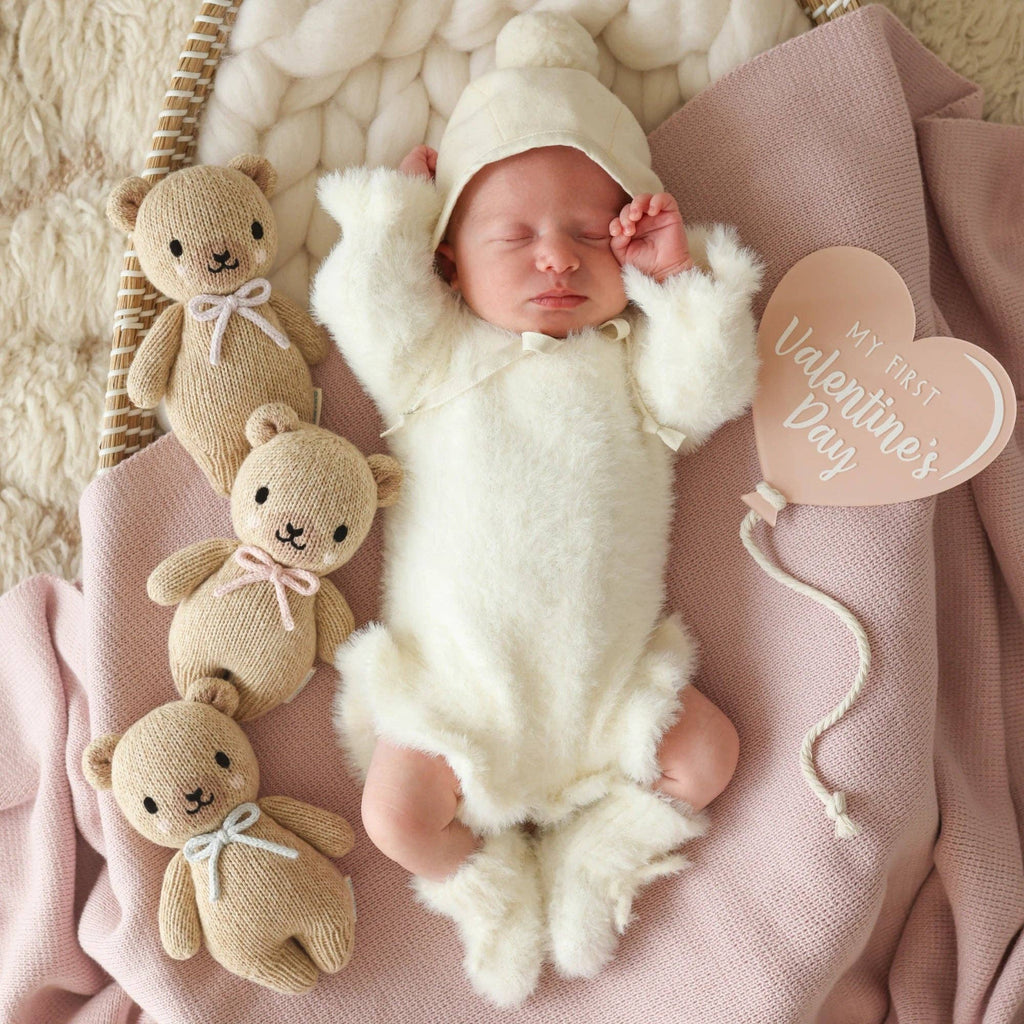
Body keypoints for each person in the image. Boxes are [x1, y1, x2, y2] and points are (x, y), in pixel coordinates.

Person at [312, 11, 762, 1007]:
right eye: (513, 236)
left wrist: (676, 281)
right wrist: (393, 216)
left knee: (708, 756)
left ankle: (597, 857)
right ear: (451, 262)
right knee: (397, 816)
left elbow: (713, 384)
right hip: (460, 697)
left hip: (603, 697)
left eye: (585, 233)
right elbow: (361, 311)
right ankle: (490, 890)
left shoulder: (633, 371)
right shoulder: (438, 362)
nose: (555, 258)